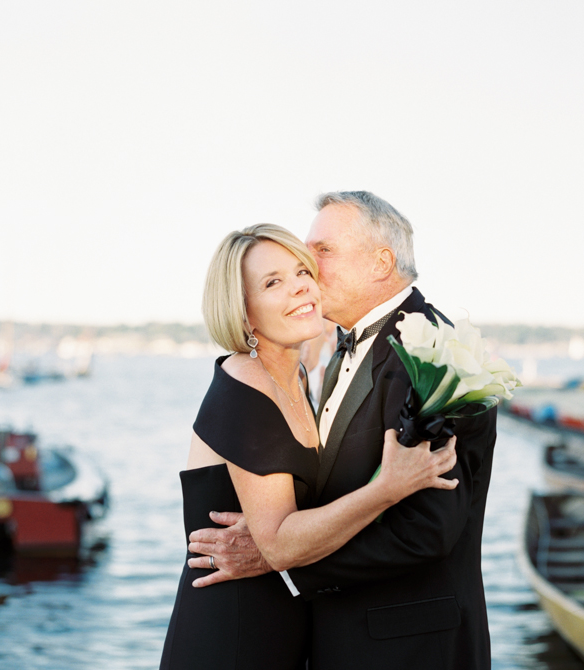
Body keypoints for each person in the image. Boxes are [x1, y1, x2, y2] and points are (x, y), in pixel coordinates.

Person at [187, 193, 499, 670]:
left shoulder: (434, 354)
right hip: (332, 640)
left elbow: (426, 529)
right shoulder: (334, 354)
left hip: (408, 648)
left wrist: (280, 560)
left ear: (381, 262)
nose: (308, 266)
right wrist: (280, 531)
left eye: (322, 251)